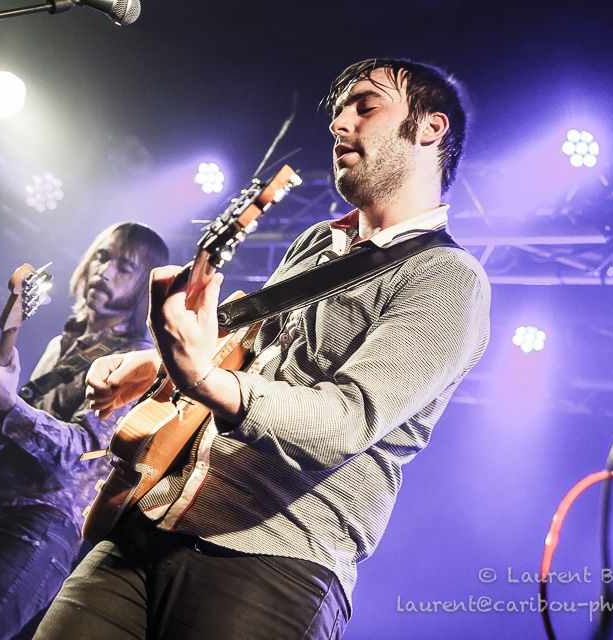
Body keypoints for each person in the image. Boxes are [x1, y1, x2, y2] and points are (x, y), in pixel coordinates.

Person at [30, 58, 493, 640]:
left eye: (365, 106)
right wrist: (161, 363)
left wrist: (200, 377)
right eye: (339, 111)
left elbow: (343, 423)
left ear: (430, 128)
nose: (339, 123)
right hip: (154, 514)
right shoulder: (317, 242)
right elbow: (248, 349)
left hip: (277, 558)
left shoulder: (447, 278)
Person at [0, 222, 170, 640]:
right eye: (102, 256)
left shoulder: (136, 359)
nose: (104, 270)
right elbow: (29, 431)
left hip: (35, 530)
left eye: (124, 267)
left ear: (143, 286)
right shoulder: (61, 343)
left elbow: (85, 451)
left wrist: (10, 405)